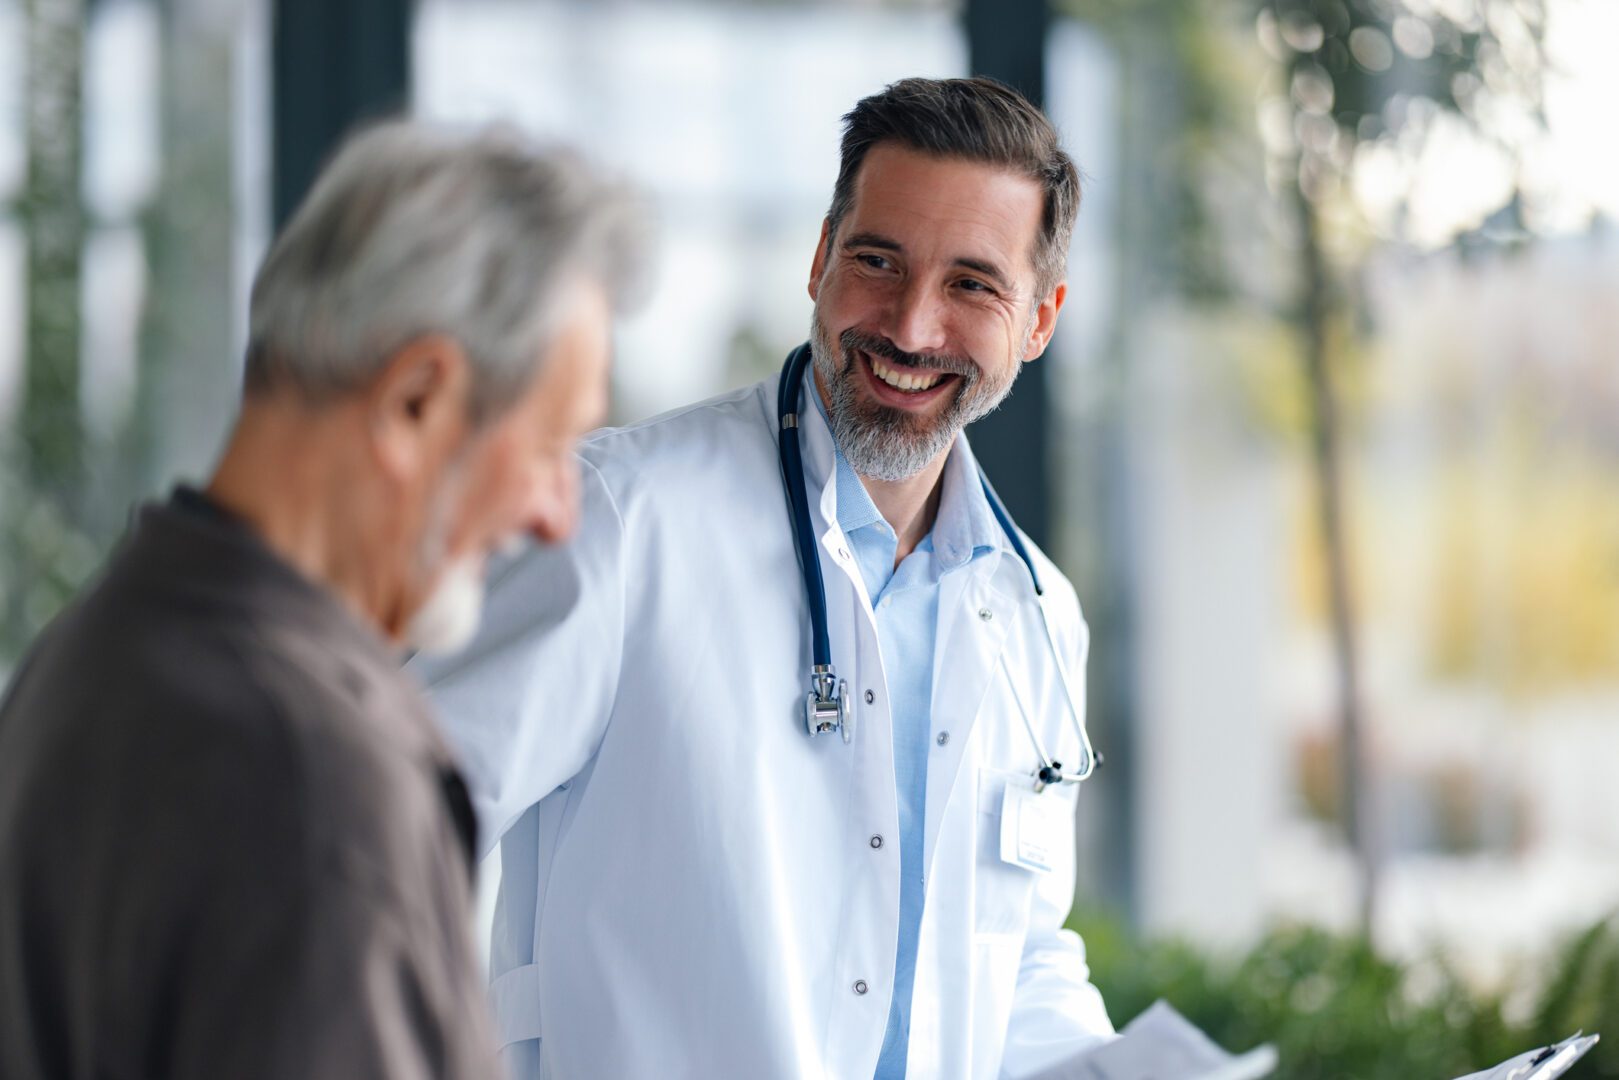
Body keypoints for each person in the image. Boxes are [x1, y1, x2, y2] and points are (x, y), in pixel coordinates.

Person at [414, 76, 1113, 1079]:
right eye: (877, 261)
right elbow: (384, 827)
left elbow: (1020, 961)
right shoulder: (618, 520)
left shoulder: (1036, 614)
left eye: (971, 285)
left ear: (1038, 319)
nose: (911, 328)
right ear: (821, 259)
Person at [0, 121, 644, 1079]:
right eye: (553, 446)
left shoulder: (95, 649)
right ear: (415, 401)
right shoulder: (314, 776)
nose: (559, 514)